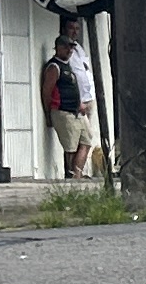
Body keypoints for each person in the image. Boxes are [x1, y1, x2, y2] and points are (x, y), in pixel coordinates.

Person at [41, 25, 101, 178]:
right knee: (71, 146)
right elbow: (47, 92)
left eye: (71, 48)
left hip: (76, 111)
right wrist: (48, 114)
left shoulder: (68, 65)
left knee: (86, 140)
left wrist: (79, 103)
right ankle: (71, 175)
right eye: (66, 48)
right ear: (58, 48)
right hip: (63, 111)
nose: (69, 51)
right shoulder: (54, 66)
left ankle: (77, 174)